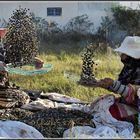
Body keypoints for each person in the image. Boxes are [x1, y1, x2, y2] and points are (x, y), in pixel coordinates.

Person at [96, 36, 140, 122]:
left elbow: (134, 92)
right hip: (129, 104)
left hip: (137, 106)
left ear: (133, 56)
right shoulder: (129, 68)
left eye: (124, 53)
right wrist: (106, 85)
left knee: (111, 112)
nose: (121, 56)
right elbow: (121, 88)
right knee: (100, 105)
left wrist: (113, 84)